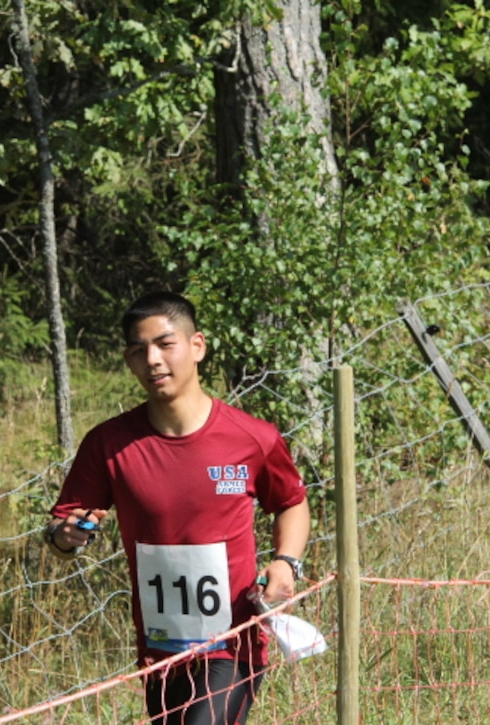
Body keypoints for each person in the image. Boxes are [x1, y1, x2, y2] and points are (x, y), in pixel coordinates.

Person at [44, 291, 311, 725]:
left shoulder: (252, 437)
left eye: (166, 344)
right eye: (138, 350)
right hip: (161, 646)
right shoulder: (109, 444)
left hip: (233, 642)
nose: (152, 359)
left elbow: (292, 504)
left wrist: (286, 563)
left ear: (197, 346)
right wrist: (65, 536)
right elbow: (62, 534)